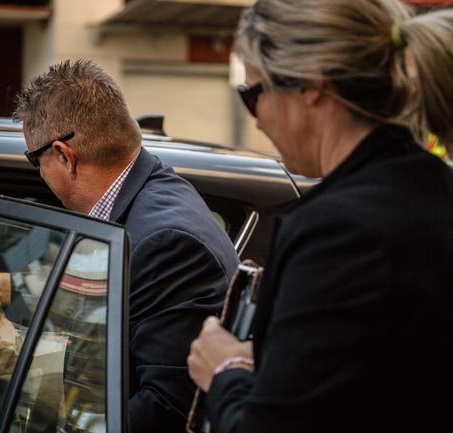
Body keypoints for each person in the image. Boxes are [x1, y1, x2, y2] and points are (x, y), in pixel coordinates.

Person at [187, 1, 453, 432]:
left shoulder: (341, 231)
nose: (256, 123)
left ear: (310, 84)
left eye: (252, 95)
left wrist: (225, 369)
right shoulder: (431, 187)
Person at [0, 59, 239, 433]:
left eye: (35, 160)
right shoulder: (142, 197)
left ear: (65, 155)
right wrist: (1, 285)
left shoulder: (166, 241)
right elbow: (95, 286)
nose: (38, 172)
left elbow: (168, 406)